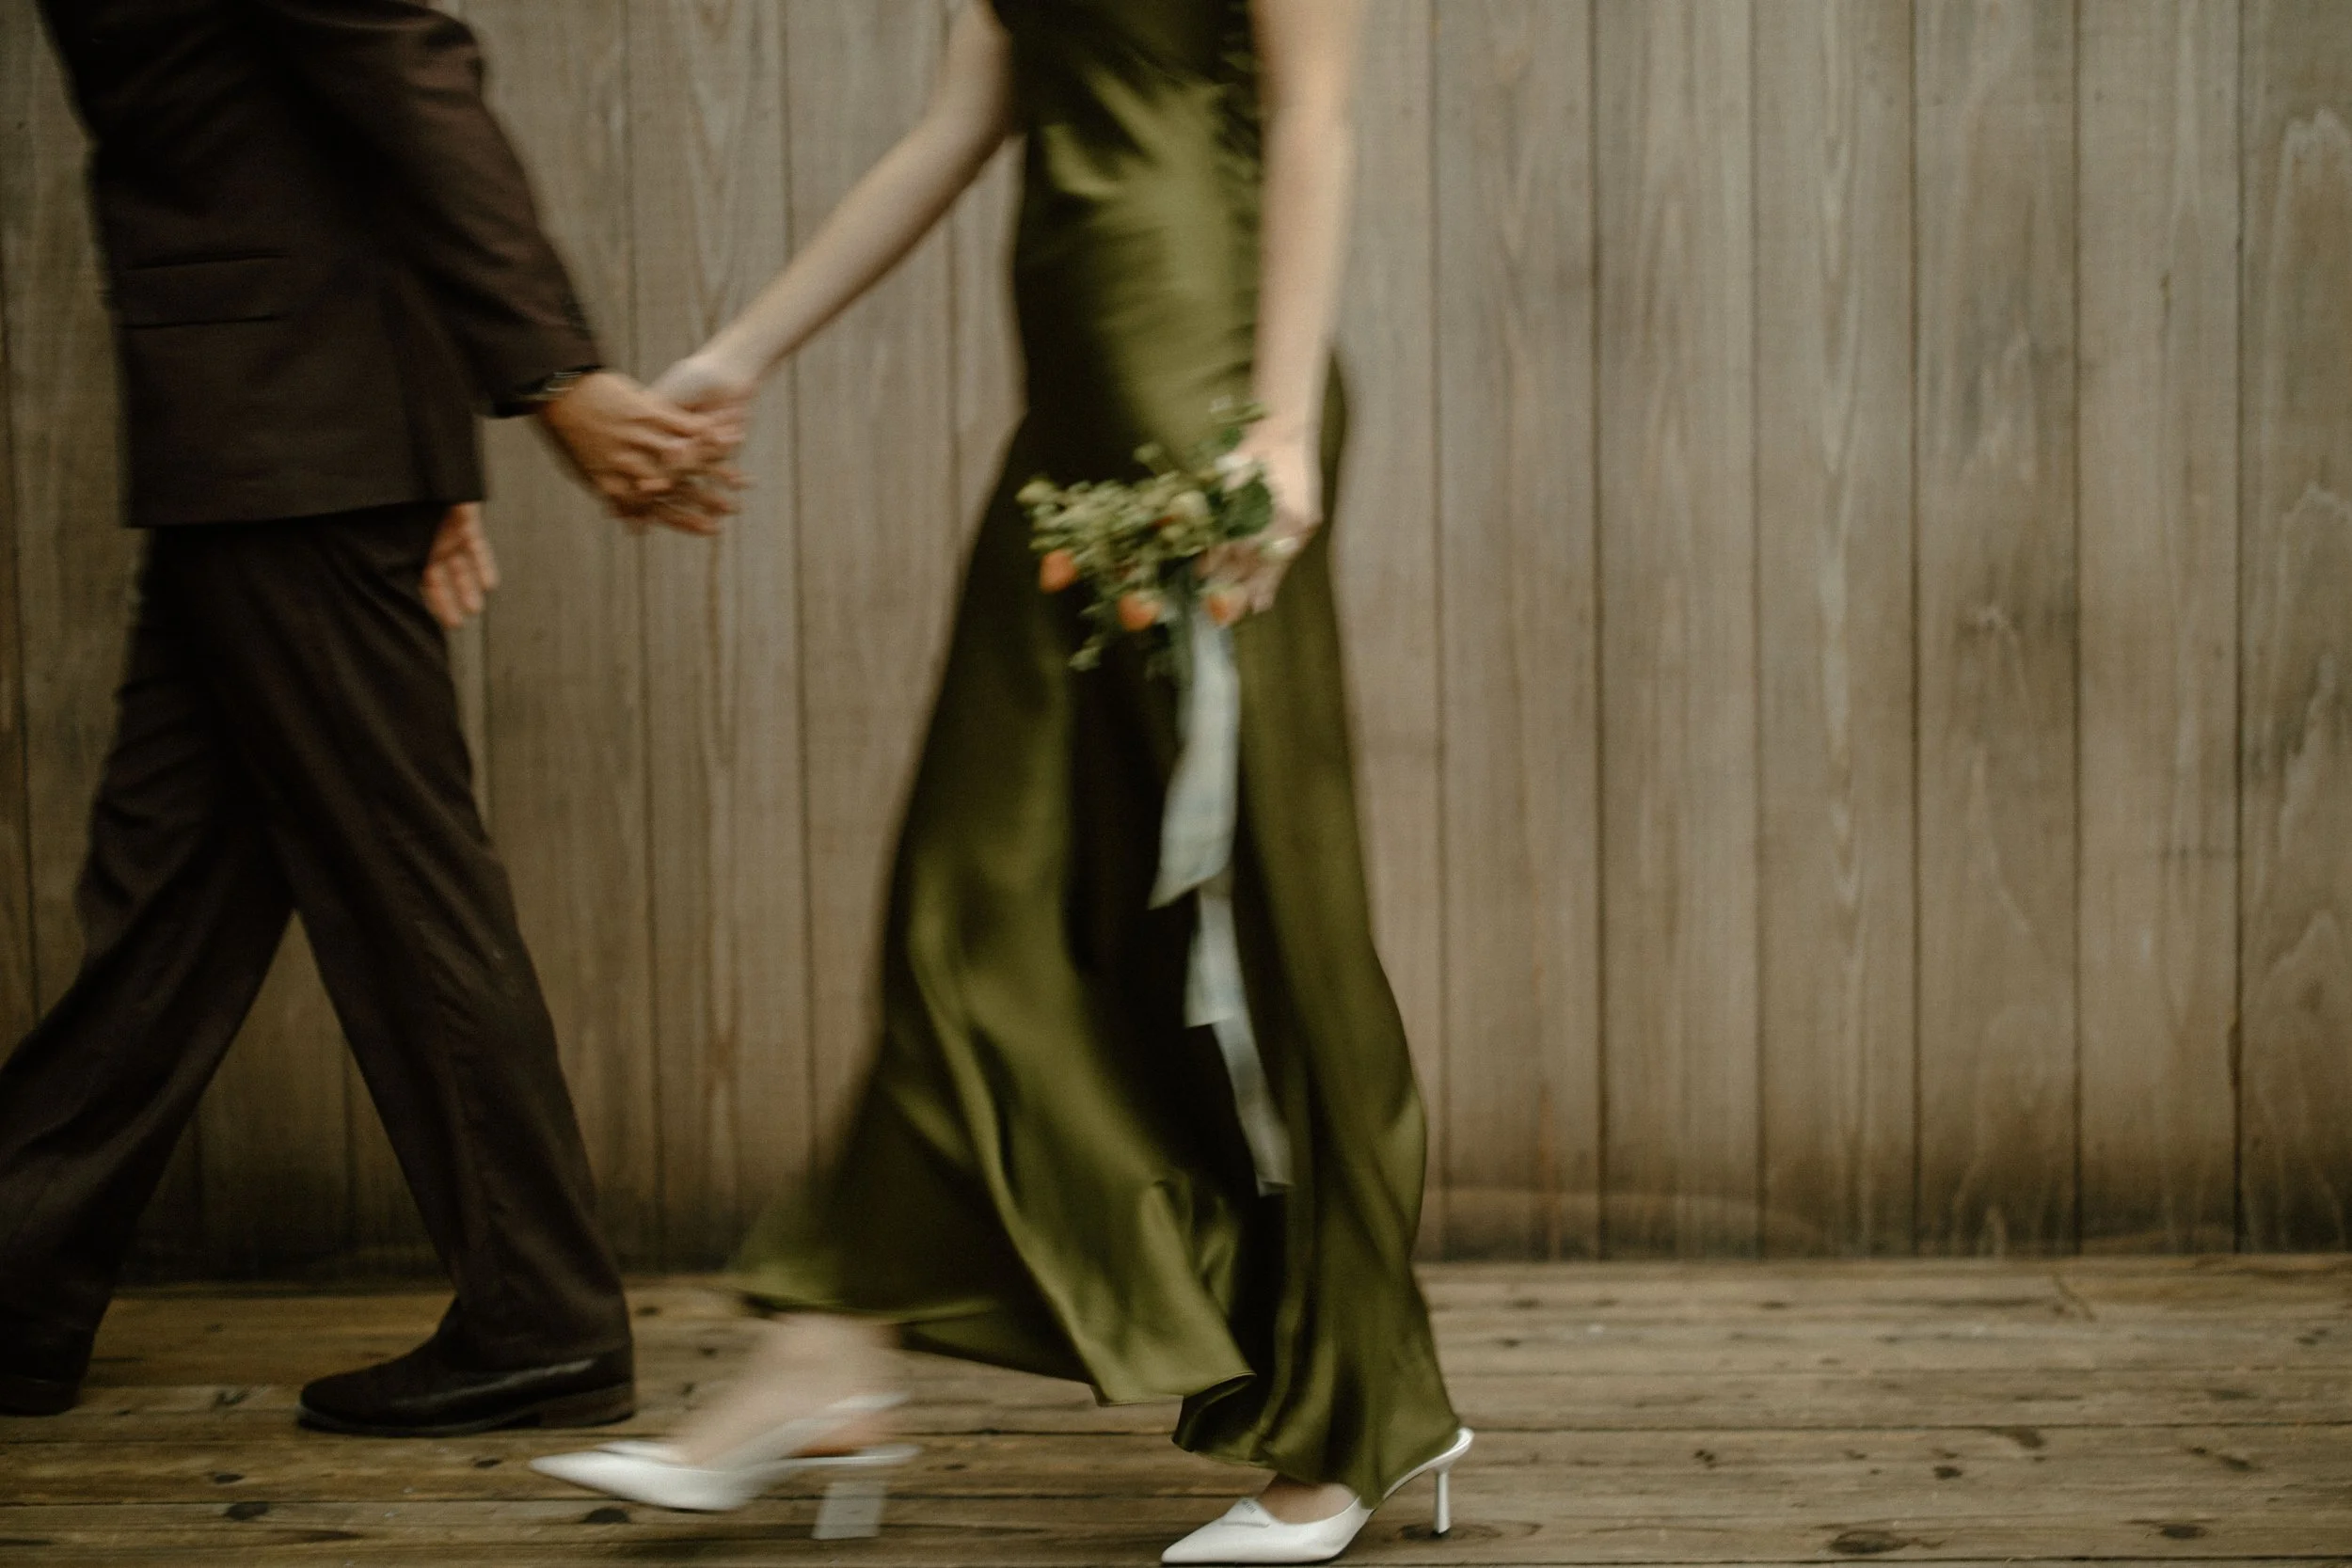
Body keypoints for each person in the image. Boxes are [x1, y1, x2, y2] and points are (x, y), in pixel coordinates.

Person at [534, 1, 1467, 1560]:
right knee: (973, 887)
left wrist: (1280, 429)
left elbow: (1315, 116)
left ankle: (1362, 1410)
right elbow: (955, 130)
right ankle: (828, 1356)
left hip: (1208, 421)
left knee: (1263, 921)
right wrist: (738, 354)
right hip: (1076, 431)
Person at [0, 0, 738, 1434]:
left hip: (285, 414)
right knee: (174, 898)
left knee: (400, 874)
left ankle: (541, 1309)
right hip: (267, 414)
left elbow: (401, 70)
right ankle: (20, 1272)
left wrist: (553, 380)